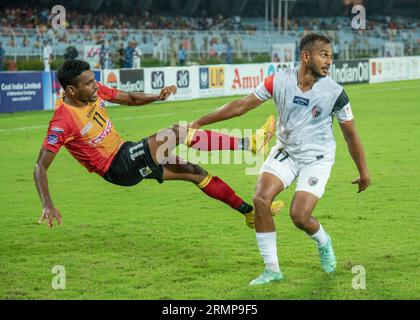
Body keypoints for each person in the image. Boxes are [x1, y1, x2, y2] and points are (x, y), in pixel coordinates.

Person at [189, 34, 371, 285]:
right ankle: (272, 270)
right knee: (261, 199)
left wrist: (364, 172)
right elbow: (241, 105)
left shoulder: (336, 93)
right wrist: (200, 122)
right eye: (324, 55)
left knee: (299, 216)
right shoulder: (279, 81)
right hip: (286, 151)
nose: (329, 61)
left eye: (331, 56)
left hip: (316, 158)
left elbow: (351, 135)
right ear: (306, 56)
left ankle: (323, 241)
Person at [34, 59, 282, 229]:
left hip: (126, 152)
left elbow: (129, 98)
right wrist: (47, 203)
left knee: (196, 173)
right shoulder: (62, 121)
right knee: (174, 132)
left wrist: (157, 96)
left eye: (93, 80)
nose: (94, 86)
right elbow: (40, 167)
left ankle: (249, 213)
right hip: (117, 167)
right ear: (71, 89)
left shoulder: (95, 90)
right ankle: (249, 143)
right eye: (88, 83)